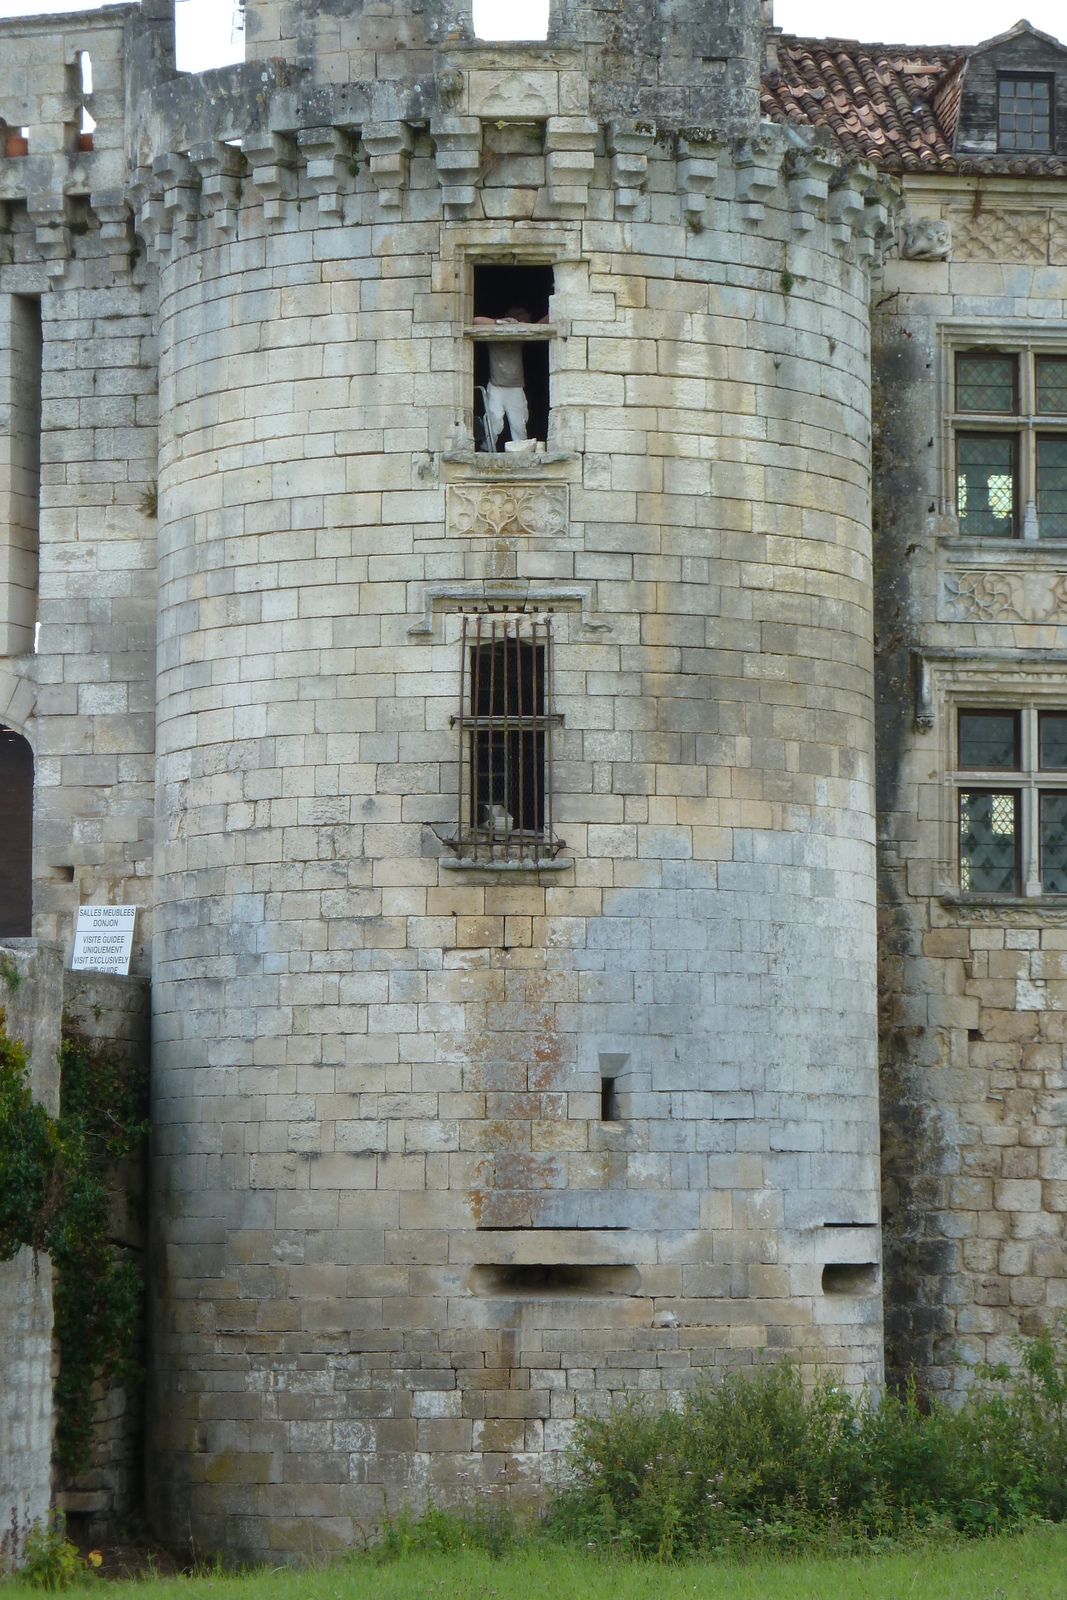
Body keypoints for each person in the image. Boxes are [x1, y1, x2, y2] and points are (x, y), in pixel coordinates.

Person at [472, 305, 535, 449]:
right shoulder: (494, 332)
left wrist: (522, 325)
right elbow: (476, 321)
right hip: (496, 385)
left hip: (516, 386)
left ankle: (520, 452)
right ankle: (486, 449)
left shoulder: (520, 335)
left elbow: (544, 323)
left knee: (519, 424)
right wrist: (500, 322)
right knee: (494, 422)